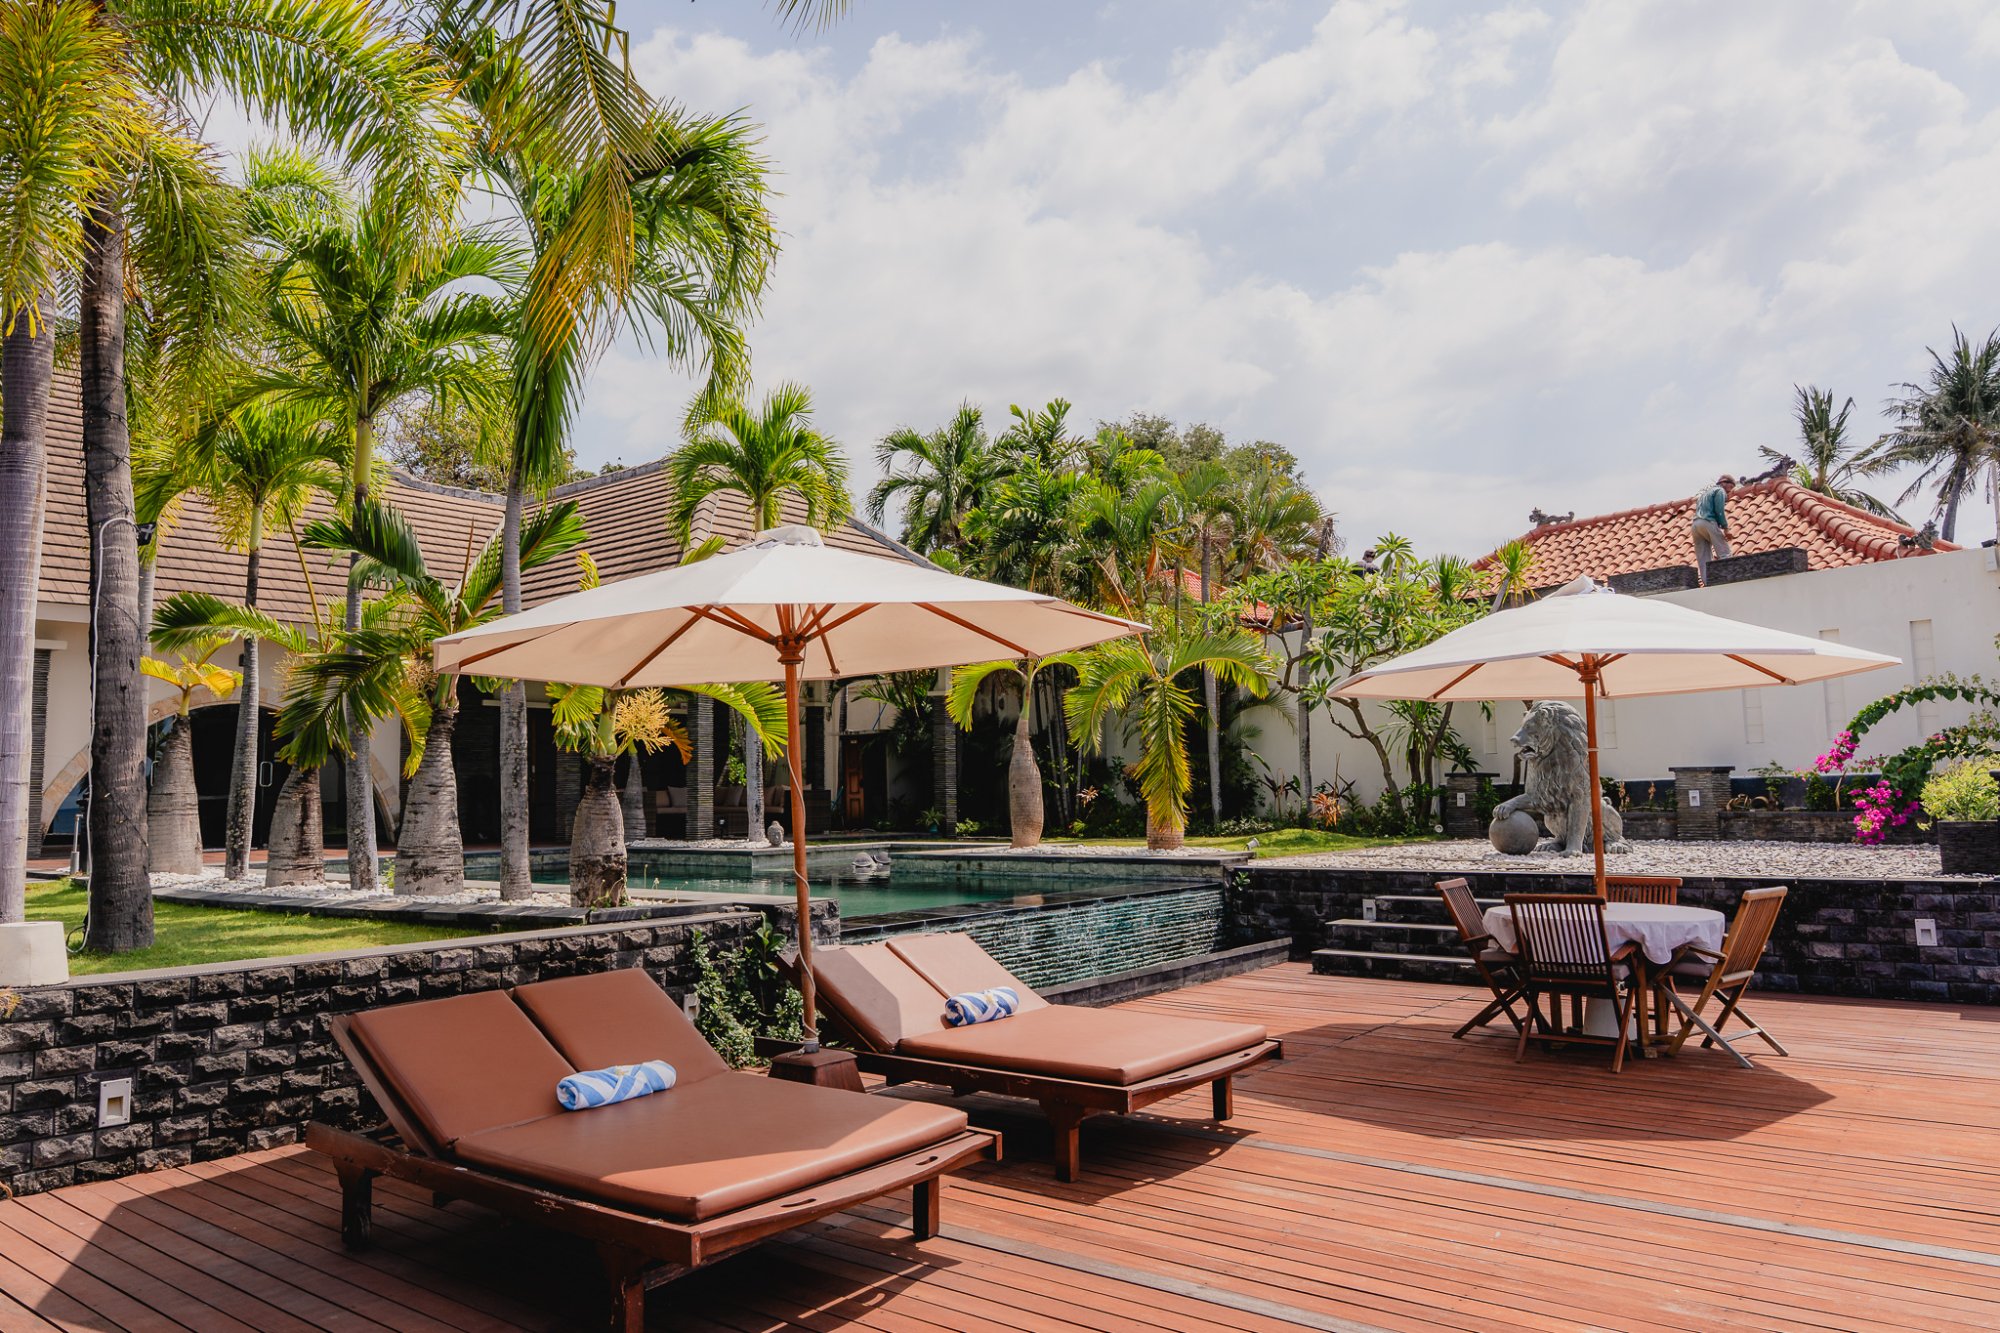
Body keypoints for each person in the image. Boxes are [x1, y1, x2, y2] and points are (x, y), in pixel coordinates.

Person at [1691, 473, 1733, 584]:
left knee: (1703, 557)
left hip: (1695, 525)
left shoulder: (1705, 494)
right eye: (1731, 487)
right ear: (1725, 483)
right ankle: (1730, 576)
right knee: (1724, 552)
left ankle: (1707, 582)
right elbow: (1719, 511)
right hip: (1708, 522)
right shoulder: (1720, 491)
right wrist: (1726, 528)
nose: (1730, 491)